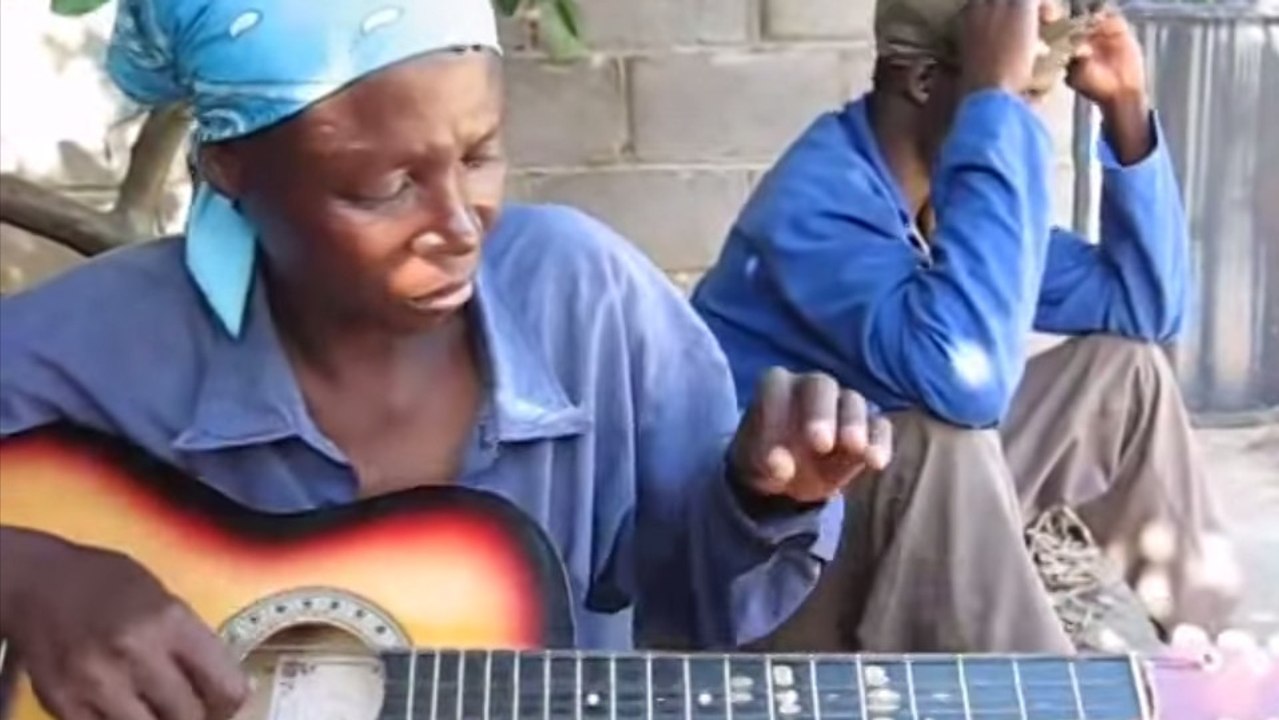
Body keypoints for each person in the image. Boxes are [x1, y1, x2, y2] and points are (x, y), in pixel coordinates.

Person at [0, 1, 893, 717]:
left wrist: (759, 498)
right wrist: (33, 575)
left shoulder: (583, 299)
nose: (461, 227)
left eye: (479, 156)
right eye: (383, 188)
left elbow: (696, 604)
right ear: (233, 168)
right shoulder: (103, 344)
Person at [691, 0, 1241, 654]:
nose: (1020, 121)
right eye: (1015, 94)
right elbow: (966, 384)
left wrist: (1125, 109)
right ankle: (1044, 699)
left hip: (901, 502)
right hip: (773, 578)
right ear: (925, 83)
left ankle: (1220, 665)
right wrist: (993, 106)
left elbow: (1144, 305)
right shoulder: (815, 208)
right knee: (936, 439)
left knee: (1125, 374)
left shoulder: (936, 192)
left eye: (1028, 99)